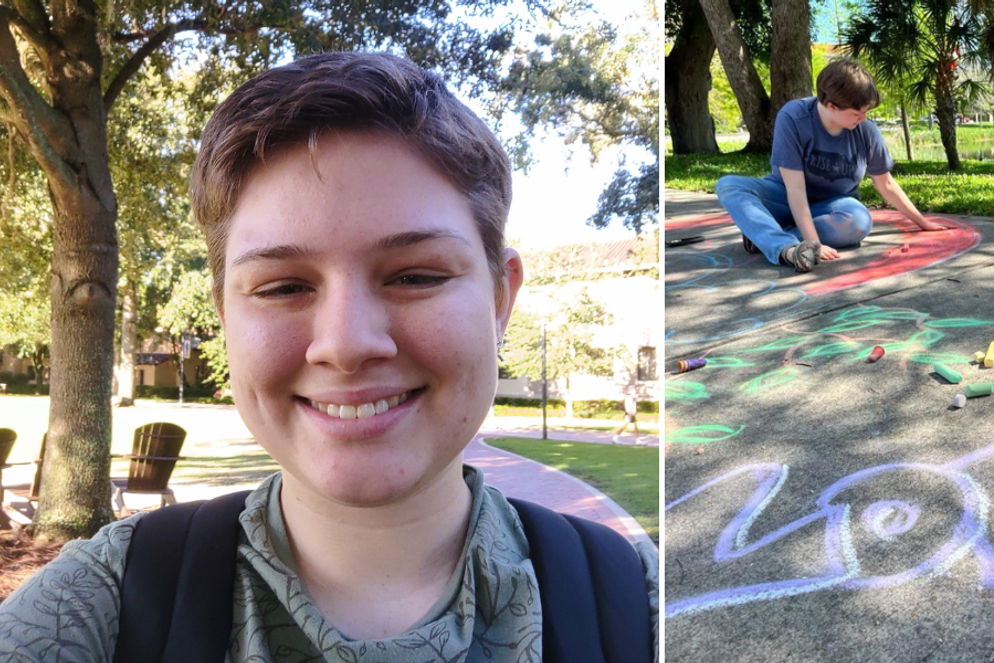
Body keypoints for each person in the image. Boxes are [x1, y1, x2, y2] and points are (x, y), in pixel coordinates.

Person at [0, 52, 658, 661]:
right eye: (284, 287)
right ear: (226, 316)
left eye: (416, 275)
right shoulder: (101, 607)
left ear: (499, 298)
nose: (345, 344)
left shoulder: (638, 604)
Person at [715, 57, 948, 273]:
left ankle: (764, 235)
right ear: (831, 105)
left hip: (831, 208)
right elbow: (795, 190)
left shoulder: (866, 130)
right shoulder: (794, 118)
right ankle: (787, 249)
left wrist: (923, 223)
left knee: (859, 221)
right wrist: (814, 243)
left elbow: (886, 183)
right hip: (784, 197)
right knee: (730, 186)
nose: (864, 118)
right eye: (858, 113)